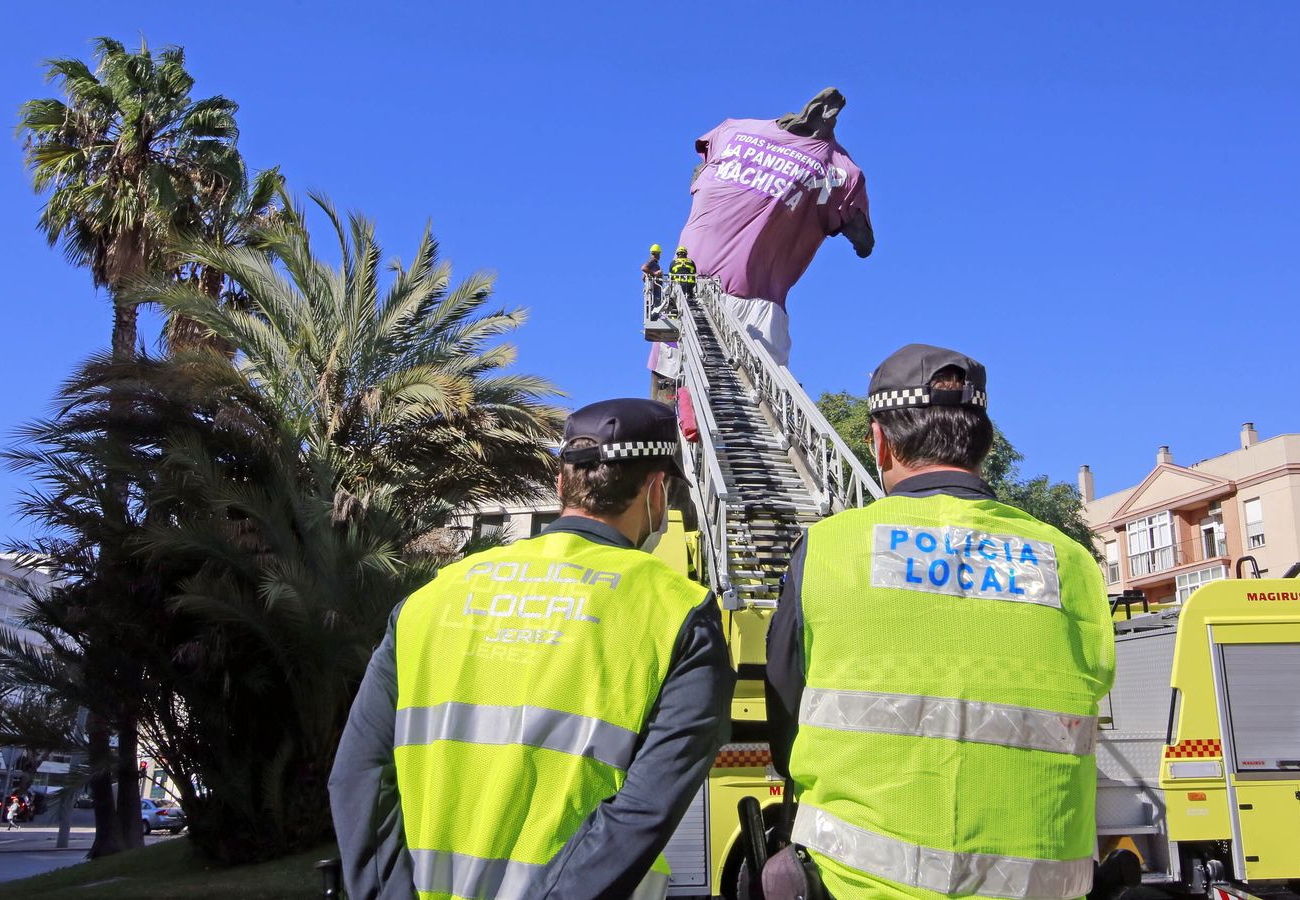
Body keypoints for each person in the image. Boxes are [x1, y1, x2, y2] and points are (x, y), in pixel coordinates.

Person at [330, 398, 735, 900]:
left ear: (562, 484)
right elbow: (642, 810)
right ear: (657, 490)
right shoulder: (679, 611)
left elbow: (358, 775)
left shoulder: (430, 599)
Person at [764, 344, 1115, 899]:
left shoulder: (828, 549)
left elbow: (786, 721)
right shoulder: (1070, 562)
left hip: (861, 885)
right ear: (985, 443)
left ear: (879, 441)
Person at [677, 88, 874, 366]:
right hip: (711, 294)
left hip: (733, 298)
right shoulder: (840, 170)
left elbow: (863, 242)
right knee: (691, 378)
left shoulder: (840, 171)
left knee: (686, 376)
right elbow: (864, 244)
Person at [642, 243, 665, 316]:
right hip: (655, 288)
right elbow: (644, 268)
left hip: (655, 288)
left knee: (655, 303)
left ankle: (653, 315)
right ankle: (654, 316)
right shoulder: (651, 261)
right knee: (656, 304)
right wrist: (655, 273)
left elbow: (643, 277)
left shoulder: (653, 262)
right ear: (657, 253)